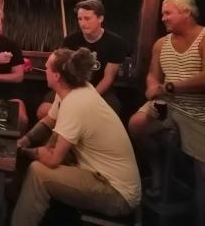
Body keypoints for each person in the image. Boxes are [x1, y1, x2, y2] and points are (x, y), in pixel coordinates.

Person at [12, 48, 140, 226]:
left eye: (47, 68)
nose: (45, 71)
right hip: (96, 173)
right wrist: (24, 141)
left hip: (117, 194)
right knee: (40, 156)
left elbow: (53, 159)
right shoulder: (72, 90)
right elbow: (49, 120)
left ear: (57, 76)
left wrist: (23, 152)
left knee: (38, 172)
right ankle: (16, 203)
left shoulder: (75, 103)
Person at [128, 0, 205, 224]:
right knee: (137, 125)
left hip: (198, 111)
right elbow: (153, 74)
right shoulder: (162, 43)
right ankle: (160, 172)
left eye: (167, 13)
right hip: (167, 106)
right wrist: (152, 86)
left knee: (203, 174)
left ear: (186, 13)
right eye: (162, 13)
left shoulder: (203, 39)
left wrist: (168, 86)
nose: (163, 18)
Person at [37, 0, 127, 119]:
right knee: (43, 111)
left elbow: (108, 78)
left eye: (87, 18)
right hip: (71, 87)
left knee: (108, 114)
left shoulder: (115, 42)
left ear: (100, 18)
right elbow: (62, 71)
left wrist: (88, 98)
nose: (83, 23)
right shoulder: (70, 41)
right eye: (80, 19)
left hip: (101, 90)